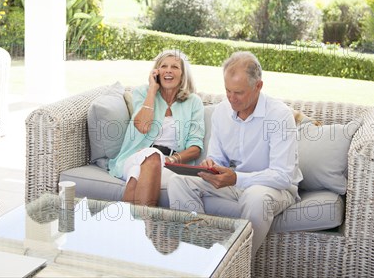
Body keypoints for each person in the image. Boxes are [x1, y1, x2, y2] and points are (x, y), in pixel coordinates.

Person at [167, 51, 302, 253]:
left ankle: (234, 267)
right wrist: (211, 165)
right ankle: (200, 254)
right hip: (235, 182)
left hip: (273, 187)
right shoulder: (222, 112)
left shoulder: (279, 116)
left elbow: (282, 176)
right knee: (178, 182)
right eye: (227, 90)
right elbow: (217, 157)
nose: (231, 98)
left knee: (256, 198)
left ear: (258, 86)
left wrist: (236, 178)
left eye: (238, 92)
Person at [108, 49, 204, 207]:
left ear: (183, 74)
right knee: (152, 156)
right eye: (163, 66)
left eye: (175, 67)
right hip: (134, 157)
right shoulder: (143, 92)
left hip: (170, 164)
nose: (168, 70)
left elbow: (195, 147)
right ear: (156, 72)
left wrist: (170, 160)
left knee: (136, 175)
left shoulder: (193, 102)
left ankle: (130, 229)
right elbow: (143, 126)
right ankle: (146, 228)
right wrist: (152, 90)